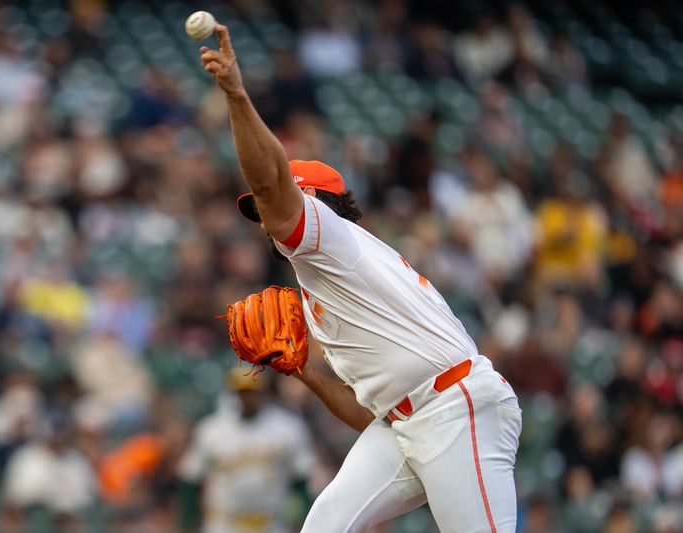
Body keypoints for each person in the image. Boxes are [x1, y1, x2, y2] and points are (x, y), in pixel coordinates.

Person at [198, 23, 522, 532]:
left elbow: (269, 180)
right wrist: (307, 373)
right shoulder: (326, 284)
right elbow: (367, 412)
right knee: (324, 524)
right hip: (405, 420)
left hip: (458, 410)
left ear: (313, 202)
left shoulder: (331, 239)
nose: (263, 218)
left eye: (268, 207)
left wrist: (237, 95)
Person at [177, 368, 316, 533]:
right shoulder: (212, 430)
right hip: (224, 524)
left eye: (252, 392)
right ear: (233, 393)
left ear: (264, 392)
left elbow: (301, 479)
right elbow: (190, 479)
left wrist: (306, 519)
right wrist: (186, 523)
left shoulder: (288, 427)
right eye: (242, 392)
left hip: (272, 523)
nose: (247, 398)